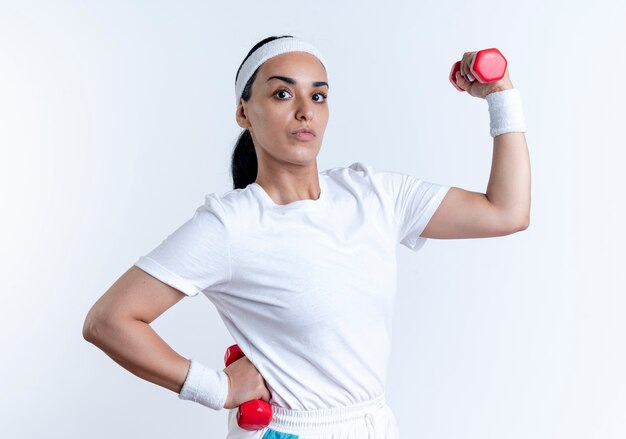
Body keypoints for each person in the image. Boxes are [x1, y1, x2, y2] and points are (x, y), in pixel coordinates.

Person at [83, 35, 530, 438]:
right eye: (282, 93)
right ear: (244, 113)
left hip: (374, 423)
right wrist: (215, 388)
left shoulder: (374, 195)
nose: (305, 110)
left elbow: (506, 212)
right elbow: (109, 321)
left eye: (318, 95)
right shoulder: (231, 225)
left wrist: (500, 95)